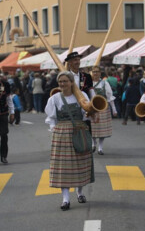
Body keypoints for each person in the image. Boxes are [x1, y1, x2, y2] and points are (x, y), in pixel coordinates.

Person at [45, 71, 94, 211]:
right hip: (62, 134)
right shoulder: (54, 98)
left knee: (80, 165)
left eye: (65, 81)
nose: (62, 84)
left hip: (79, 131)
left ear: (72, 82)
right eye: (60, 82)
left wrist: (91, 114)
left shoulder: (82, 96)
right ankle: (65, 199)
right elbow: (51, 118)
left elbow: (86, 116)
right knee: (63, 168)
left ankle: (80, 193)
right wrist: (54, 130)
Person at [90, 66, 117, 155]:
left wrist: (114, 109)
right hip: (92, 108)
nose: (95, 73)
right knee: (92, 128)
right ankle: (94, 143)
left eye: (97, 72)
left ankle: (100, 148)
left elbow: (110, 97)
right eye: (94, 72)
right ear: (91, 73)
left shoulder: (105, 83)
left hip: (103, 107)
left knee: (102, 129)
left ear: (100, 73)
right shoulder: (88, 84)